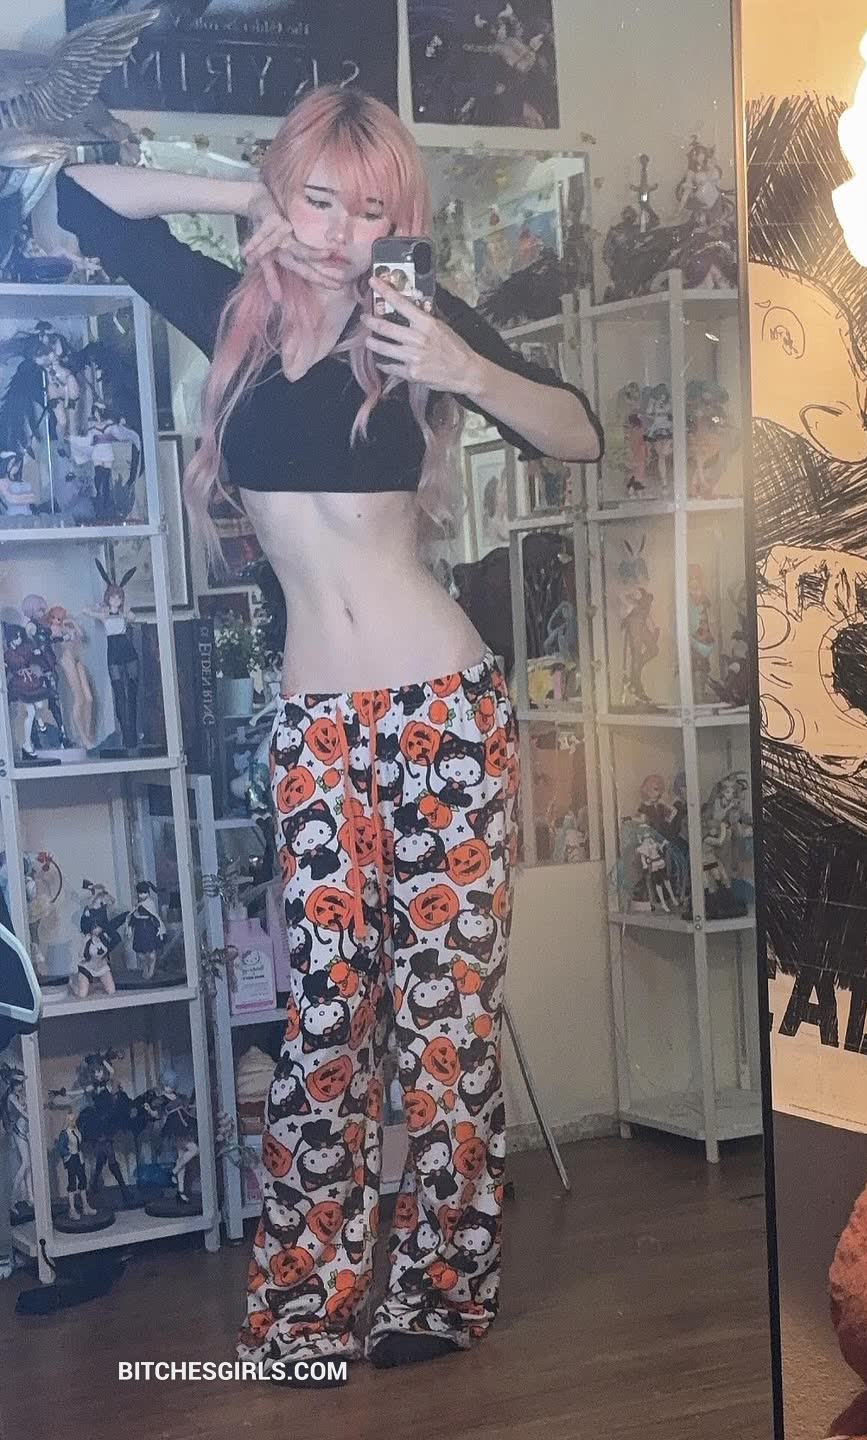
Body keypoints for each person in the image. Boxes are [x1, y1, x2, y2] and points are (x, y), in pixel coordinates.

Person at [54, 85, 603, 1384]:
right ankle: (305, 1308)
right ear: (282, 192)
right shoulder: (227, 319)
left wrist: (464, 371)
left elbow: (578, 431)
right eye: (319, 199)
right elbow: (81, 199)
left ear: (395, 225)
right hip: (316, 730)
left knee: (447, 1026)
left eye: (369, 211)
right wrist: (239, 198)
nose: (341, 233)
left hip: (444, 716)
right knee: (323, 1027)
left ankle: (442, 1295)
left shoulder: (408, 324)